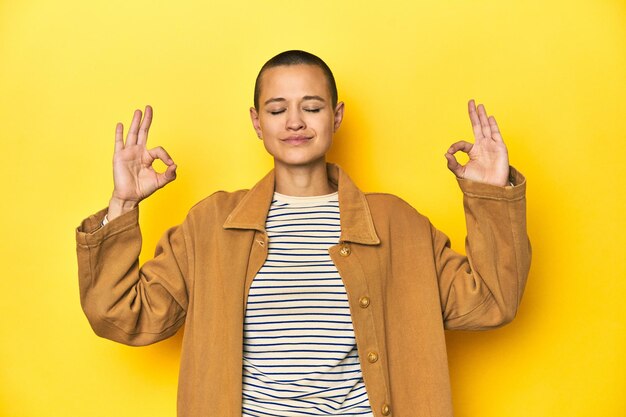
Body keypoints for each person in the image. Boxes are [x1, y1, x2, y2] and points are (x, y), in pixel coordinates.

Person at [76, 50, 530, 417]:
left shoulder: (397, 223)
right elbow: (121, 314)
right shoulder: (210, 225)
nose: (295, 122)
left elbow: (491, 300)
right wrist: (124, 203)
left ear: (336, 116)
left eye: (311, 107)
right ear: (257, 121)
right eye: (278, 109)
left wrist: (489, 194)